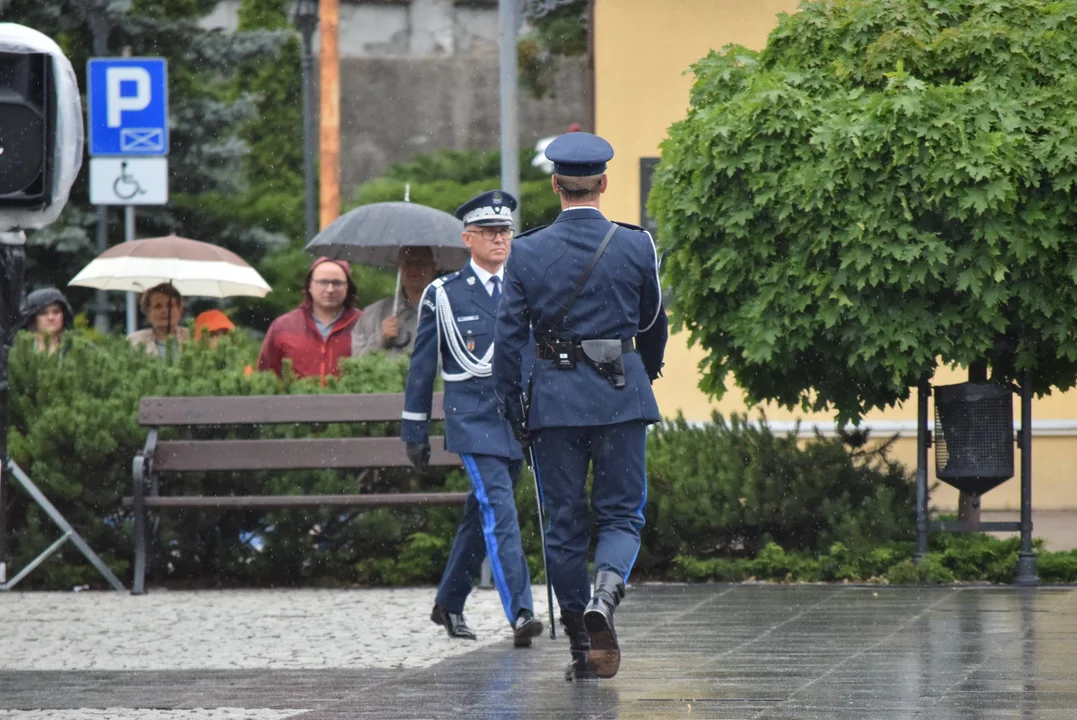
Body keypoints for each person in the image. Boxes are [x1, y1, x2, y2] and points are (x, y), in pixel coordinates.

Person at [492, 132, 668, 682]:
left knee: (563, 529)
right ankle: (606, 597)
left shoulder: (524, 249)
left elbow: (507, 339)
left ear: (555, 185)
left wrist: (513, 407)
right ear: (604, 183)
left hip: (555, 403)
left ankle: (580, 648)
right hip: (620, 395)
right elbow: (652, 322)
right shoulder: (637, 244)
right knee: (620, 515)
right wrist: (649, 369)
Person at [401, 189, 542, 648]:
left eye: (506, 231)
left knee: (478, 515)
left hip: (516, 420)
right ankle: (521, 611)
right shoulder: (443, 294)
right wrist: (414, 427)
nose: (501, 239)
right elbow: (423, 366)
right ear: (469, 238)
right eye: (490, 232)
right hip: (474, 419)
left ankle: (449, 602)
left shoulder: (524, 284)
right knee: (500, 511)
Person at [258, 257, 360, 382]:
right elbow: (266, 377)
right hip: (297, 401)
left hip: (350, 401)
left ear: (348, 287)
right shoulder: (283, 326)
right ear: (310, 286)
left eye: (337, 283)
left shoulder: (365, 324)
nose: (330, 289)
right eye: (323, 282)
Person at [352, 246, 439, 356]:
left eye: (420, 263)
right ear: (399, 268)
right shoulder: (372, 314)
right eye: (407, 263)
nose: (413, 269)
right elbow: (356, 361)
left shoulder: (449, 312)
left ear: (433, 268)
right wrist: (380, 339)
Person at [128, 283, 189, 359]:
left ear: (180, 310)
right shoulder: (134, 341)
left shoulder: (194, 338)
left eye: (170, 305)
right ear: (147, 312)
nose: (165, 311)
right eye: (157, 306)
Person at [22, 287, 73, 355]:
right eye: (43, 313)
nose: (51, 317)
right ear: (33, 318)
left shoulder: (75, 349)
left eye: (56, 312)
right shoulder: (20, 350)